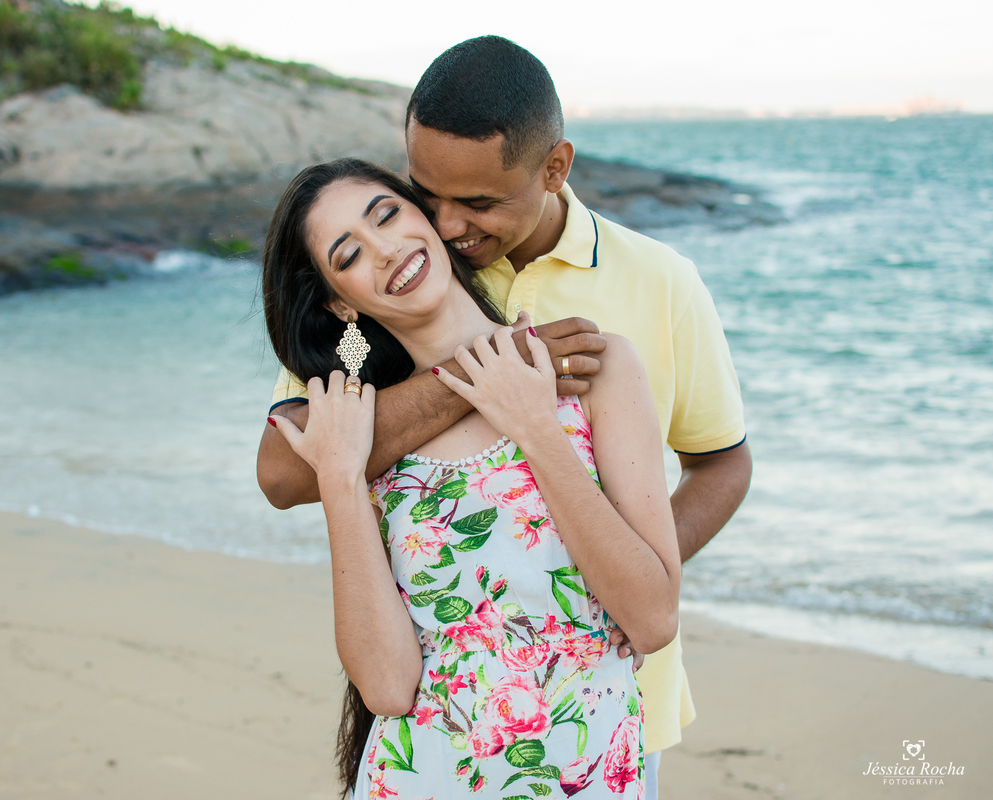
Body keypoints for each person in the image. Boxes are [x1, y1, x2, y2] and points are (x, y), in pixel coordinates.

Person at [257, 37, 752, 797]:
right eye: (426, 194)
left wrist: (605, 579)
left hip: (605, 721)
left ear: (554, 168)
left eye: (478, 203)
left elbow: (716, 474)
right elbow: (290, 472)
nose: (448, 224)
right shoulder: (364, 371)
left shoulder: (657, 286)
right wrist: (484, 377)